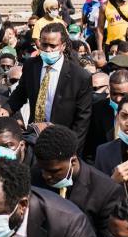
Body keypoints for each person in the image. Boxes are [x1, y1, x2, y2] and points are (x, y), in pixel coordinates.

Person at [9, 22, 93, 151]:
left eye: (53, 46)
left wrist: (71, 149)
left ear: (63, 46)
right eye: (44, 45)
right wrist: (6, 109)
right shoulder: (31, 66)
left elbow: (82, 120)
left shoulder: (80, 76)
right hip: (33, 137)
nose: (48, 50)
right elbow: (20, 94)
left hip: (62, 143)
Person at [33, 124, 118, 237]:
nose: (46, 176)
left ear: (73, 161)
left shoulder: (106, 191)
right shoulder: (34, 177)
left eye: (54, 171)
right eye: (42, 169)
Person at [84, 70, 128, 162]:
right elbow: (89, 146)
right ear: (109, 89)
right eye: (114, 94)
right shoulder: (97, 110)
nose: (118, 99)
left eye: (123, 94)